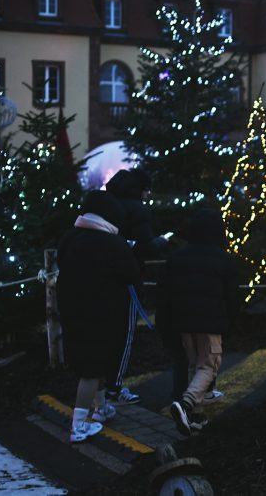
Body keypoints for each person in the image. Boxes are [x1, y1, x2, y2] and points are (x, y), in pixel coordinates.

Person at [57, 190, 141, 442]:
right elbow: (132, 275)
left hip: (72, 311)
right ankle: (79, 425)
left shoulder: (69, 238)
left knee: (91, 363)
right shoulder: (112, 243)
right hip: (103, 312)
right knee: (93, 368)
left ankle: (101, 408)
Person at [156, 208, 239, 435]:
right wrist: (231, 323)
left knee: (194, 366)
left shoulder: (177, 257)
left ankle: (197, 418)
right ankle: (186, 405)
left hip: (182, 323)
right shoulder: (224, 259)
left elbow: (164, 293)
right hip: (210, 324)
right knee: (208, 367)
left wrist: (164, 325)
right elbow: (232, 297)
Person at [104, 167, 166, 404]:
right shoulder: (137, 210)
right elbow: (146, 247)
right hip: (128, 278)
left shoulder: (110, 205)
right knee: (125, 333)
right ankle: (115, 387)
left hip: (104, 277)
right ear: (141, 189)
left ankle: (103, 387)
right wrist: (161, 241)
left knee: (107, 330)